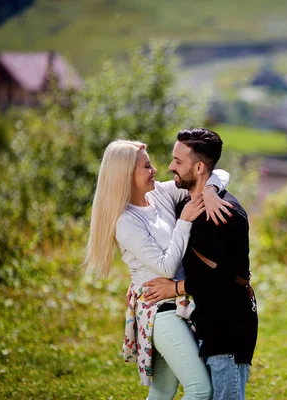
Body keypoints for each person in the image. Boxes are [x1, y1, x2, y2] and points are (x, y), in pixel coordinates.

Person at [84, 139, 233, 400]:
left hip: (177, 306)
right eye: (146, 166)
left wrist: (209, 190)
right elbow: (166, 267)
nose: (155, 170)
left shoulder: (159, 195)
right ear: (126, 175)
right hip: (159, 313)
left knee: (163, 391)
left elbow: (219, 172)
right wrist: (184, 221)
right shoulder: (125, 222)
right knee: (200, 390)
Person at [143, 128, 258, 400]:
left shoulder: (226, 214)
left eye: (177, 162)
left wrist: (177, 287)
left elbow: (227, 277)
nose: (170, 167)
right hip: (206, 323)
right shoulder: (184, 201)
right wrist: (209, 188)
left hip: (229, 327)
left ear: (198, 166)